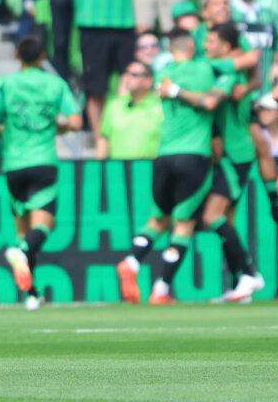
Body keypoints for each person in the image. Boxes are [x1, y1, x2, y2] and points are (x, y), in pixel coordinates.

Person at [0, 37, 83, 311]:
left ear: (16, 56)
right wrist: (55, 128)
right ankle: (21, 254)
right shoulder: (55, 84)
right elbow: (76, 121)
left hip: (13, 164)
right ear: (43, 56)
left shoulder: (6, 83)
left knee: (22, 230)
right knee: (43, 227)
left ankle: (32, 295)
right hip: (43, 162)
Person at [116, 28, 217, 305]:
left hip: (163, 156)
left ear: (170, 48)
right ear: (192, 46)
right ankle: (161, 289)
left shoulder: (163, 72)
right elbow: (209, 101)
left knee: (157, 220)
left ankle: (132, 262)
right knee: (183, 224)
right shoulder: (203, 70)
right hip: (194, 154)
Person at [67, 0, 147, 159]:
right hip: (92, 27)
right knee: (95, 87)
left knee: (129, 80)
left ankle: (124, 130)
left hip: (123, 26)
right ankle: (102, 141)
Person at [199, 23, 265, 302]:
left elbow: (254, 59)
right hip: (233, 152)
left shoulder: (223, 68)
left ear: (226, 48)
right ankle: (242, 284)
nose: (205, 46)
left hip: (234, 153)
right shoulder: (225, 68)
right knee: (226, 219)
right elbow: (255, 71)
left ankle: (251, 274)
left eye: (211, 41)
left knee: (210, 216)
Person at [98, 61, 163, 159]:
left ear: (148, 81)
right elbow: (103, 140)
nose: (127, 78)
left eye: (134, 74)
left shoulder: (160, 106)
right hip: (118, 170)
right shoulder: (114, 105)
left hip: (150, 169)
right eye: (126, 73)